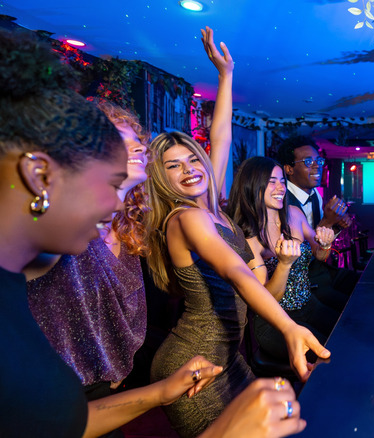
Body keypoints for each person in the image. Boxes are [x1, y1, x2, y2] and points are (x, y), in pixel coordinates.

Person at [0, 27, 242, 438]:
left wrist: (159, 392)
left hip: (114, 380)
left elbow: (66, 421)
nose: (113, 200)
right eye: (107, 179)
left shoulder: (136, 217)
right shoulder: (46, 255)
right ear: (41, 173)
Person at [144, 28, 328, 437]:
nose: (189, 168)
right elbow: (236, 272)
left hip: (229, 356)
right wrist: (288, 327)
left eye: (191, 158)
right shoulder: (184, 218)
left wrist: (226, 75)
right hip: (195, 366)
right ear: (161, 179)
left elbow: (221, 135)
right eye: (172, 166)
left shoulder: (215, 209)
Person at [25, 101, 149, 416]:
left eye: (138, 142)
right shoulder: (58, 225)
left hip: (109, 389)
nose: (138, 147)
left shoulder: (127, 228)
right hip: (51, 397)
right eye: (122, 140)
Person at [227, 156, 340, 360]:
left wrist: (325, 244)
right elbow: (266, 299)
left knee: (346, 336)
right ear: (252, 185)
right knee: (331, 357)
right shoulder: (248, 237)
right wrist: (284, 264)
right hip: (275, 322)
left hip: (309, 304)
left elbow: (320, 256)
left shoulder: (294, 214)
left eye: (282, 181)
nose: (280, 188)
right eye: (272, 182)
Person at [277, 135, 359, 312]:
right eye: (308, 161)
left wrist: (336, 226)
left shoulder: (315, 195)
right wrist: (328, 221)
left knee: (364, 287)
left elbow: (322, 241)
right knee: (352, 311)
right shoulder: (281, 203)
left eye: (318, 160)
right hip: (303, 282)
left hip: (322, 270)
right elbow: (302, 253)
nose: (317, 166)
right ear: (289, 169)